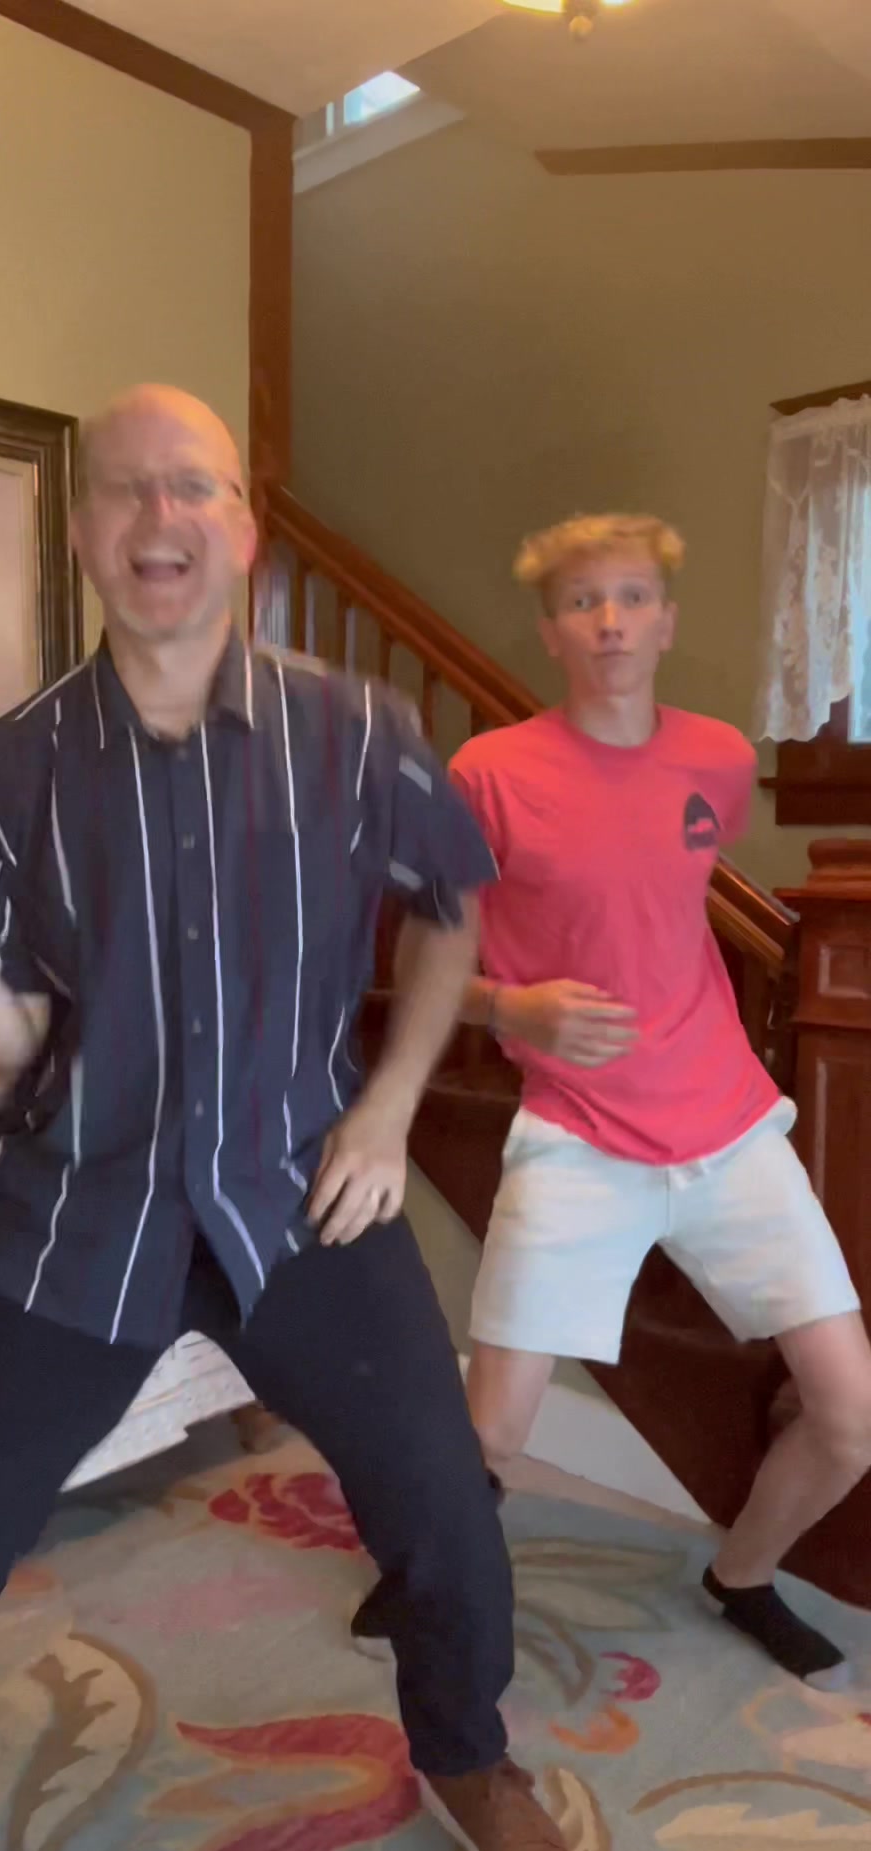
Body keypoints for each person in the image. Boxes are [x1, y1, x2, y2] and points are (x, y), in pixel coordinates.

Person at [0, 389, 584, 1851]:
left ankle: (470, 1752)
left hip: (305, 1199)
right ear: (84, 531)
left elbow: (450, 911)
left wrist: (389, 1108)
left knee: (444, 1508)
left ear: (240, 528)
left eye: (193, 489)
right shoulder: (12, 768)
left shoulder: (357, 731)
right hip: (75, 1208)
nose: (159, 520)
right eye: (125, 492)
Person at [354, 513, 871, 1688]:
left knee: (850, 1416)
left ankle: (741, 1577)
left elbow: (666, 902)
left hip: (731, 1129)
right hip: (577, 1139)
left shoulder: (717, 762)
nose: (611, 621)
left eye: (633, 597)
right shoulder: (489, 776)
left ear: (666, 620)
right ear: (552, 630)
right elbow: (421, 955)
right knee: (493, 1428)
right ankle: (434, 1567)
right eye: (584, 601)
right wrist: (513, 1008)